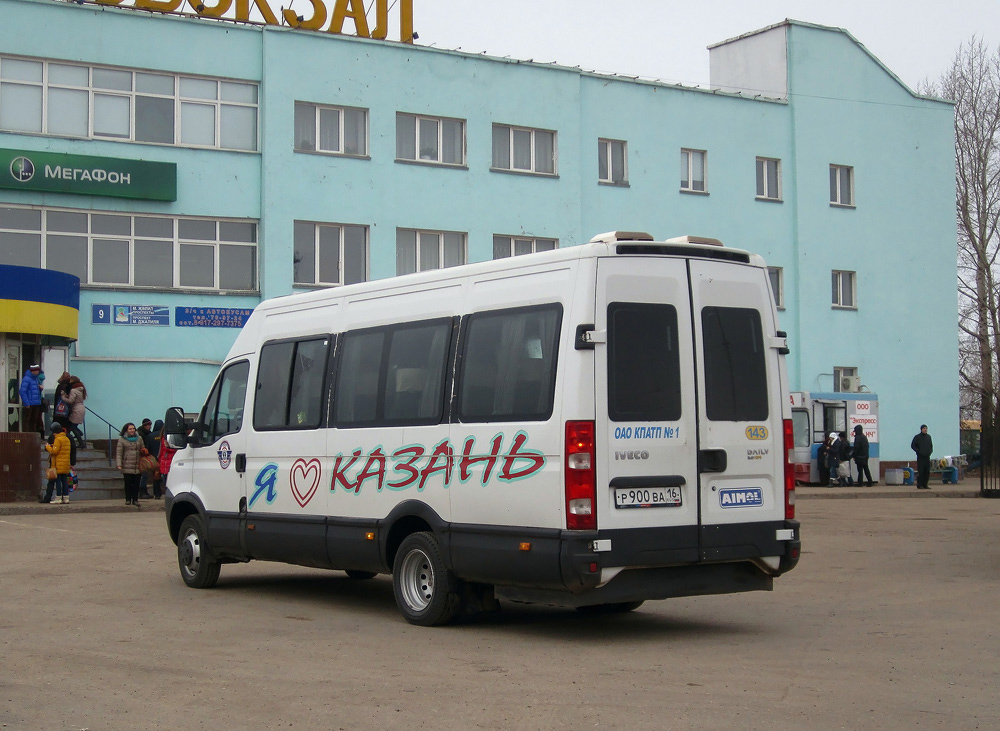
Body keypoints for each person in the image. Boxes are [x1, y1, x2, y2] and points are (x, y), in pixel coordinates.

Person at [44, 423, 72, 504]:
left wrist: (48, 447)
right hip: (66, 464)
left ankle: (58, 497)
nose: (53, 434)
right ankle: (66, 498)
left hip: (58, 465)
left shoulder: (58, 439)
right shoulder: (66, 439)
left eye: (53, 432)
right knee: (65, 481)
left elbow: (54, 451)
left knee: (58, 482)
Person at [116, 422, 144, 506]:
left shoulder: (139, 438)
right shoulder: (122, 439)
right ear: (126, 430)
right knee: (128, 483)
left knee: (136, 483)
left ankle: (135, 499)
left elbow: (142, 448)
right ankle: (128, 499)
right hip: (127, 464)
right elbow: (119, 453)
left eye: (133, 428)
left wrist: (144, 450)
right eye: (130, 429)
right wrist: (119, 464)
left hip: (137, 464)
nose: (132, 430)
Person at [63, 376, 87, 464]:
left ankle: (81, 442)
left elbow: (70, 400)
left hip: (76, 409)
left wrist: (63, 397)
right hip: (81, 408)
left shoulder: (73, 390)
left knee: (72, 426)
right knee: (73, 425)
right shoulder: (80, 389)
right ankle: (79, 434)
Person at [18, 364, 45, 438]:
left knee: (34, 420)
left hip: (36, 402)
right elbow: (22, 391)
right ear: (33, 371)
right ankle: (26, 436)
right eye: (37, 370)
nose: (38, 372)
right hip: (30, 403)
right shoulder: (27, 378)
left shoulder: (35, 378)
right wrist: (26, 403)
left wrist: (40, 389)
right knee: (27, 420)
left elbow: (33, 390)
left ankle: (32, 436)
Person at [158, 420, 178, 495]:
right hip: (167, 462)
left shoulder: (165, 437)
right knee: (168, 482)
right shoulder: (166, 438)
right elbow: (166, 449)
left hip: (166, 462)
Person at [137, 418, 156, 498]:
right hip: (141, 456)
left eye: (150, 425)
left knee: (145, 474)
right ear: (144, 425)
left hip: (144, 456)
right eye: (148, 425)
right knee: (143, 475)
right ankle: (142, 492)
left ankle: (144, 491)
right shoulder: (141, 434)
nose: (150, 427)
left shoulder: (147, 433)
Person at [911, 424, 934, 490]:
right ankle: (919, 485)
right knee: (921, 471)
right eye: (924, 428)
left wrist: (930, 452)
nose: (925, 429)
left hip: (927, 457)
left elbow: (931, 446)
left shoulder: (928, 437)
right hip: (920, 457)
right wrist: (918, 451)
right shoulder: (917, 437)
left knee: (927, 471)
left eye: (926, 428)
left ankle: (925, 485)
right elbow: (913, 445)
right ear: (921, 429)